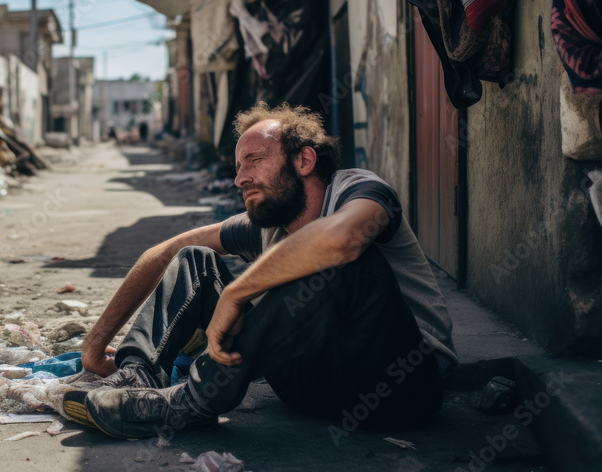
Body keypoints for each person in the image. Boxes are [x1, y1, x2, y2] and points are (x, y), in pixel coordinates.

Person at [64, 102, 457, 440]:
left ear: (304, 160)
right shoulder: (270, 222)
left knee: (344, 265)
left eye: (254, 160)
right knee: (194, 259)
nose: (240, 178)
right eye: (238, 167)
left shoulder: (360, 190)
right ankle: (136, 380)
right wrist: (94, 345)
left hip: (400, 388)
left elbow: (342, 241)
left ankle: (191, 403)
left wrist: (237, 294)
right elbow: (167, 250)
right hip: (308, 389)